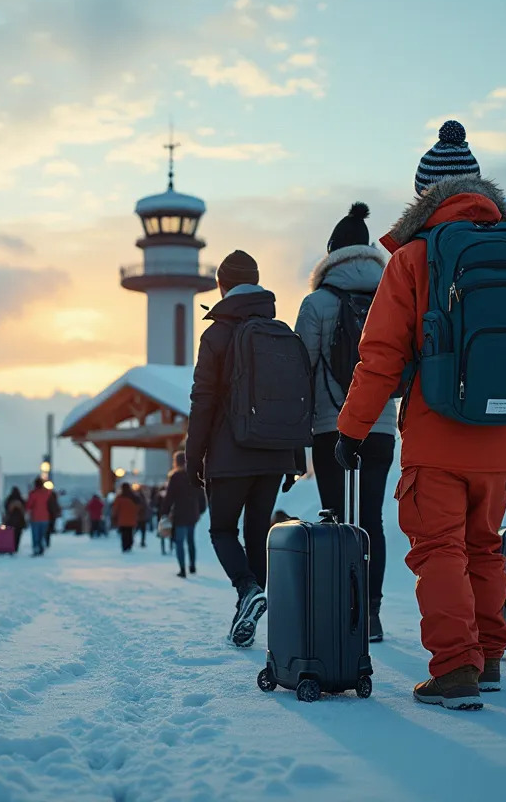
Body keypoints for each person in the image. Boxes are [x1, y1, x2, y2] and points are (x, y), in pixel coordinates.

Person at [335, 120, 506, 709]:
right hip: (501, 441)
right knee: (485, 548)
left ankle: (455, 669)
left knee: (438, 550)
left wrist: (352, 429)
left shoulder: (414, 257)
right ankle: (487, 657)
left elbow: (381, 355)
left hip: (437, 435)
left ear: (424, 196)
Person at [185, 250, 306, 647]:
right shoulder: (279, 332)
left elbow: (203, 399)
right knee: (257, 533)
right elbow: (295, 398)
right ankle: (249, 611)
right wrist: (294, 458)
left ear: (222, 285)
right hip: (273, 453)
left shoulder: (216, 334)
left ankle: (246, 591)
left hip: (230, 452)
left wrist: (193, 456)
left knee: (222, 530)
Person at [295, 201, 397, 643]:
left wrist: (297, 434)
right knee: (370, 518)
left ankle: (340, 609)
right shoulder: (392, 295)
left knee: (335, 518)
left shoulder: (316, 302)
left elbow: (303, 368)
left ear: (332, 254)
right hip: (380, 425)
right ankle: (371, 615)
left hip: (329, 426)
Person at [160, 452, 202, 578]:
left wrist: (164, 513)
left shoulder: (175, 477)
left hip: (180, 514)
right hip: (192, 514)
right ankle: (192, 566)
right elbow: (201, 495)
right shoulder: (194, 475)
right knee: (191, 541)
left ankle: (182, 569)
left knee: (179, 542)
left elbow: (169, 497)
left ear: (176, 462)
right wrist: (199, 510)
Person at [25, 478, 51, 556]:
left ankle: (36, 549)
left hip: (35, 517)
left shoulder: (33, 494)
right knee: (42, 535)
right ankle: (42, 547)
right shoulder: (47, 493)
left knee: (35, 535)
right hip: (45, 517)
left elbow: (29, 505)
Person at [111, 483, 139, 553]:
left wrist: (114, 516)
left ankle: (125, 546)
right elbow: (138, 507)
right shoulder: (134, 497)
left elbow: (115, 508)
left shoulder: (119, 498)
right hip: (132, 519)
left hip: (122, 519)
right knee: (130, 533)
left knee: (124, 534)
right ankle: (130, 545)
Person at [4, 487, 26, 551]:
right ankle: (16, 547)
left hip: (10, 521)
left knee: (10, 535)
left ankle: (10, 546)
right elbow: (24, 509)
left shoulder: (9, 499)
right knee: (18, 535)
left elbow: (6, 509)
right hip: (20, 521)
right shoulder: (21, 499)